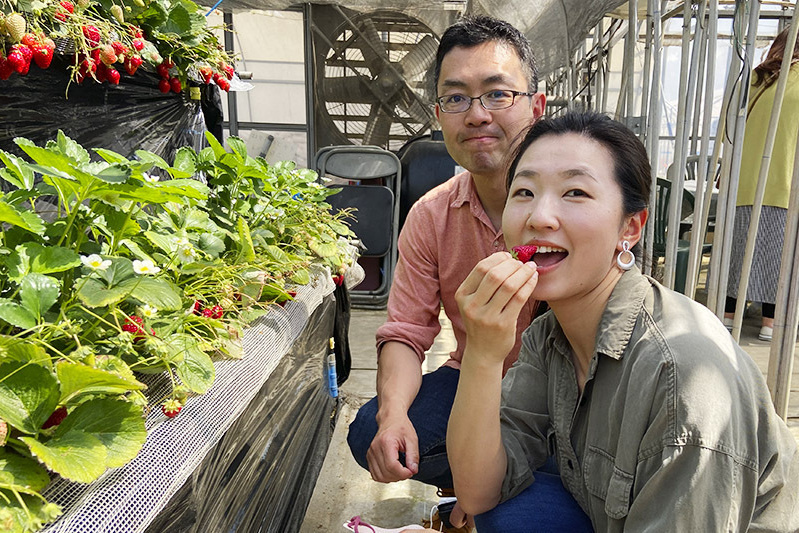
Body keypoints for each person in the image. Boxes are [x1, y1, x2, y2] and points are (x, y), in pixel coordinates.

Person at [447, 111, 799, 532]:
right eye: (524, 191)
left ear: (630, 228)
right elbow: (478, 492)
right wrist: (483, 353)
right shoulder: (550, 334)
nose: (539, 217)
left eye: (575, 192)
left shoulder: (683, 377)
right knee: (507, 514)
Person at [346, 14, 548, 531]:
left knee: (522, 512)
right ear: (438, 116)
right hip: (474, 379)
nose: (476, 115)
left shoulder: (563, 212)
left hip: (560, 394)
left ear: (537, 106)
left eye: (498, 94)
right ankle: (467, 483)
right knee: (370, 429)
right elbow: (406, 331)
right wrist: (393, 415)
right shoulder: (431, 215)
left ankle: (493, 491)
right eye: (456, 98)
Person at [724, 24, 799, 342]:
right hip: (785, 182)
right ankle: (770, 322)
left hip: (744, 182)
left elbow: (729, 128)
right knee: (778, 257)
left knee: (740, 252)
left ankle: (729, 315)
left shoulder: (756, 77)